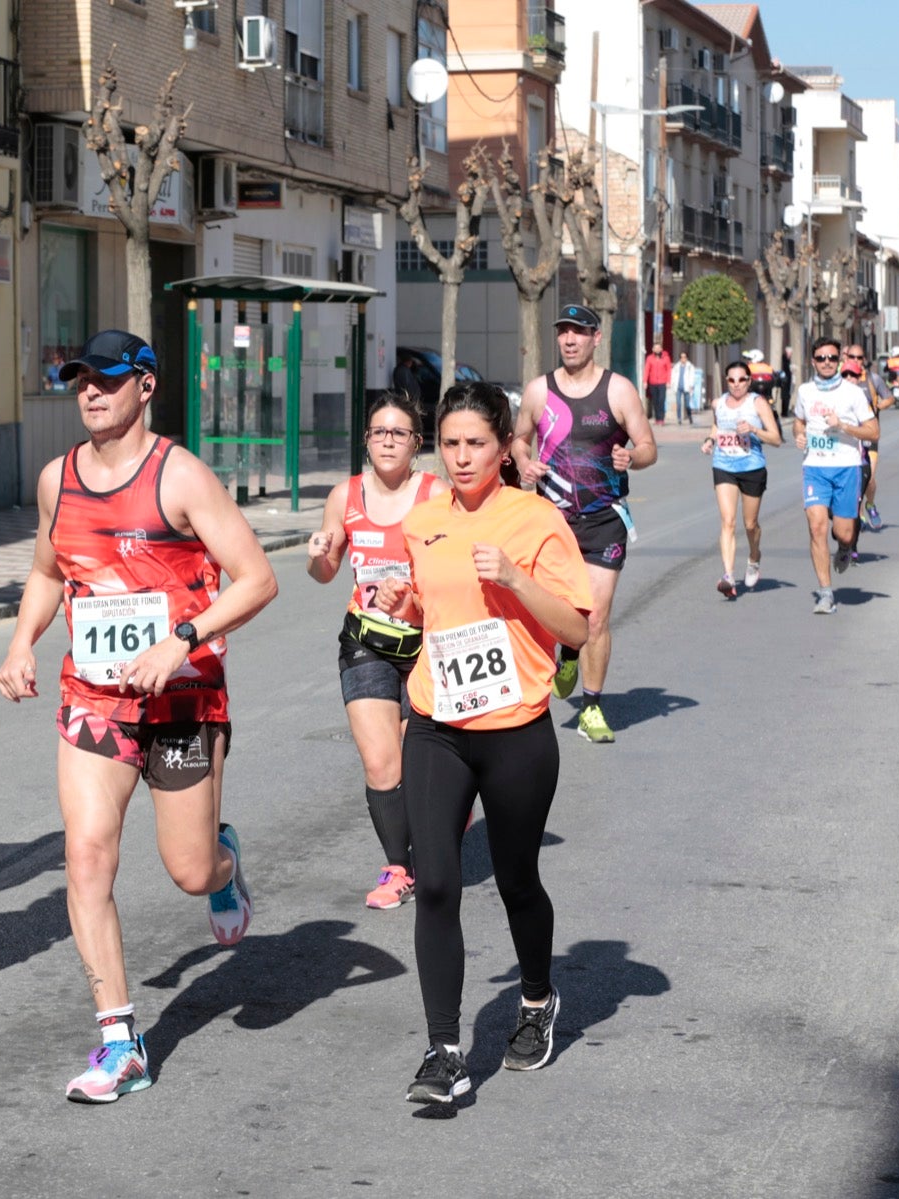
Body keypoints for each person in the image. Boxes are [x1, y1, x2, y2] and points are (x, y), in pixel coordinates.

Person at [0, 330, 278, 1103]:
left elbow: (256, 579)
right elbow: (48, 570)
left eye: (107, 379)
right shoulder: (57, 478)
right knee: (86, 856)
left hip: (183, 695)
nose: (90, 391)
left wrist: (180, 638)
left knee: (189, 870)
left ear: (145, 386)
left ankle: (224, 861)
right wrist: (22, 640)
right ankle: (121, 1040)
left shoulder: (179, 476)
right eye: (79, 378)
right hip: (95, 696)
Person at [368, 382, 592, 1105]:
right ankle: (444, 1050)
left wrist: (518, 578)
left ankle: (534, 1000)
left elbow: (578, 628)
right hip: (436, 725)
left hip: (516, 730)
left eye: (477, 444)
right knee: (433, 880)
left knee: (517, 878)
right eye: (453, 443)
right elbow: (430, 606)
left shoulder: (536, 519)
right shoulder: (424, 520)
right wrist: (403, 604)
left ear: (505, 449)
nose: (462, 457)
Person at [307, 392, 443, 909]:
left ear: (416, 442)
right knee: (381, 764)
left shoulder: (435, 495)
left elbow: (452, 575)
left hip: (427, 644)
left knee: (418, 762)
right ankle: (399, 867)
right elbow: (325, 572)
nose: (388, 440)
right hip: (365, 642)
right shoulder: (345, 496)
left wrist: (412, 599)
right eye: (379, 432)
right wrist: (318, 555)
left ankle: (435, 833)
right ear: (366, 441)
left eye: (399, 433)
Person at [512, 303, 658, 744]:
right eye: (563, 332)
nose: (570, 339)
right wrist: (525, 463)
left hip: (603, 520)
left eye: (579, 331)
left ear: (597, 338)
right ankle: (567, 651)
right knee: (556, 610)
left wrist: (631, 456)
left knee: (595, 615)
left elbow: (649, 446)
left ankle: (592, 706)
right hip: (551, 521)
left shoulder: (619, 390)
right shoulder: (540, 391)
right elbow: (519, 439)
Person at [792, 339, 879, 615]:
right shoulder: (805, 391)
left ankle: (844, 546)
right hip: (815, 468)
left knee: (844, 531)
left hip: (846, 467)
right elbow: (798, 421)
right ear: (813, 361)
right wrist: (799, 434)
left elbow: (873, 432)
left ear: (838, 360)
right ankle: (825, 593)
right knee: (816, 526)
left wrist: (842, 425)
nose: (827, 362)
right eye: (821, 358)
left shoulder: (853, 393)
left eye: (831, 357)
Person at [700, 361, 781, 598]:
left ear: (749, 380)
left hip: (752, 467)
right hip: (723, 465)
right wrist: (710, 440)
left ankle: (754, 556)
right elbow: (717, 425)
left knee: (750, 524)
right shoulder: (718, 403)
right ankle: (728, 575)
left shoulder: (757, 403)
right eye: (732, 380)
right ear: (726, 381)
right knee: (727, 521)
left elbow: (776, 438)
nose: (737, 385)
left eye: (742, 380)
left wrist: (754, 430)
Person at [843, 344, 895, 550]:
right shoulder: (842, 378)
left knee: (870, 478)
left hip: (868, 435)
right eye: (852, 356)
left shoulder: (873, 379)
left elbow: (889, 397)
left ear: (864, 358)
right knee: (853, 482)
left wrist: (878, 406)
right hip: (847, 437)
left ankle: (870, 504)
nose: (856, 360)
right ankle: (859, 516)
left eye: (859, 357)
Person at [643, 344, 672, 424]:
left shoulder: (666, 358)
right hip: (653, 383)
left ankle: (661, 419)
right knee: (655, 401)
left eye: (658, 348)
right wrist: (645, 381)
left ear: (661, 349)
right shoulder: (649, 358)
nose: (657, 349)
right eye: (655, 348)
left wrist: (668, 382)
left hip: (662, 383)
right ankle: (657, 418)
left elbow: (669, 370)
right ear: (653, 349)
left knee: (661, 400)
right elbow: (647, 370)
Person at [671, 351, 703, 424]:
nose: (683, 359)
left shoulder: (690, 366)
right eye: (681, 357)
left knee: (687, 405)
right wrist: (672, 384)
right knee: (678, 404)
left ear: (687, 358)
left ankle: (689, 416)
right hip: (678, 387)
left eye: (684, 357)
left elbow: (692, 377)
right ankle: (679, 419)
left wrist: (691, 386)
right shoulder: (676, 366)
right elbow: (673, 376)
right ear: (680, 358)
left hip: (687, 387)